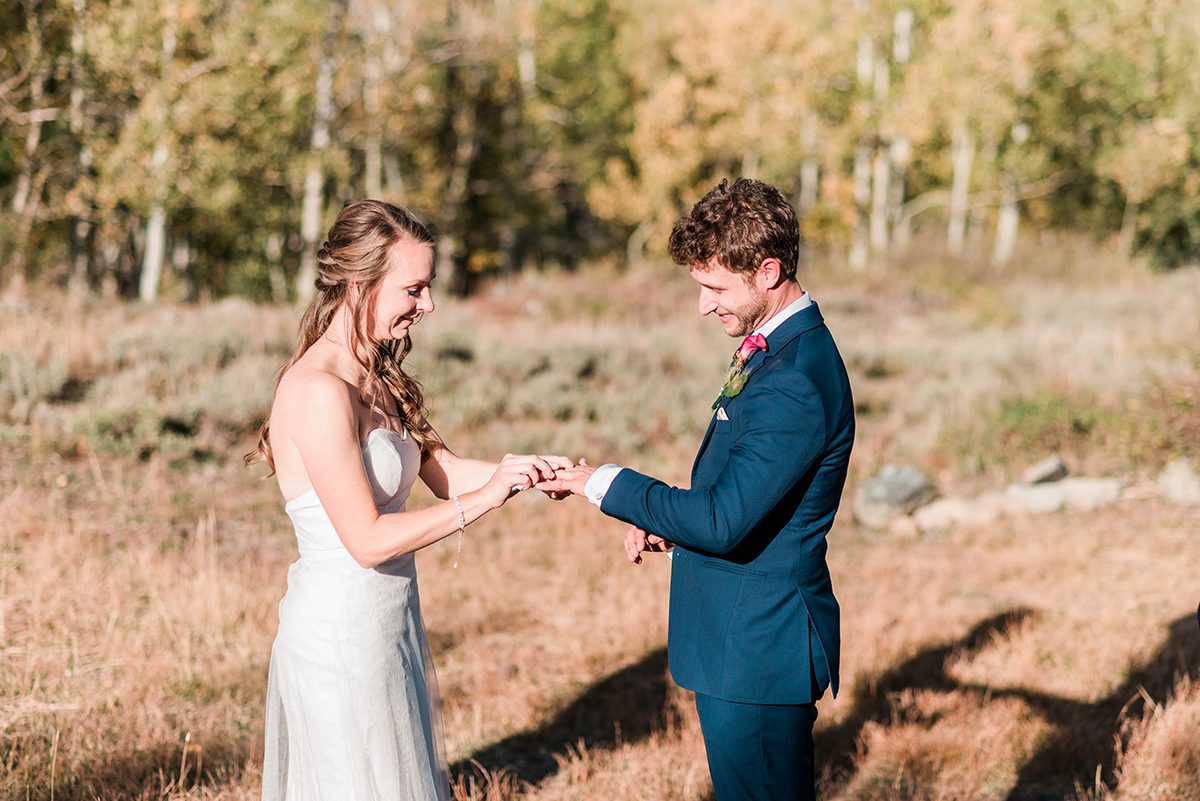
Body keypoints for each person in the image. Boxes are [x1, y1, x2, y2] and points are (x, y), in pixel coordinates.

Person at [541, 178, 855, 801]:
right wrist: (669, 523)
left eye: (715, 287)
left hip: (759, 649)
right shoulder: (776, 351)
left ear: (769, 271)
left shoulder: (792, 376)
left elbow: (722, 522)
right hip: (741, 640)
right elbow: (744, 498)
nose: (704, 305)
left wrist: (600, 482)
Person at [246, 199, 567, 800]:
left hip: (388, 623)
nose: (429, 306)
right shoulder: (318, 389)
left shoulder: (375, 372)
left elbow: (437, 469)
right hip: (339, 636)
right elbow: (366, 541)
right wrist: (488, 498)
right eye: (414, 289)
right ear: (358, 283)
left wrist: (520, 471)